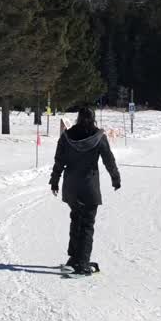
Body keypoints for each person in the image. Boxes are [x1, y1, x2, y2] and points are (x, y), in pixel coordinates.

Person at [49, 107, 121, 275]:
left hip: (71, 186)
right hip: (89, 186)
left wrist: (54, 181)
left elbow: (59, 161)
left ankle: (74, 258)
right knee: (87, 224)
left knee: (76, 220)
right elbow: (109, 160)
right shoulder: (99, 137)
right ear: (93, 118)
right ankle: (82, 263)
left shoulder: (67, 137)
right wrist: (115, 178)